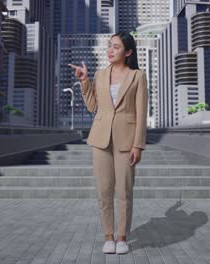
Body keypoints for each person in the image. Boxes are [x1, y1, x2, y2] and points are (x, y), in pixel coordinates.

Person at [68, 31, 148, 254]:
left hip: (126, 139)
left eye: (116, 47)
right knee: (104, 190)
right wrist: (84, 81)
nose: (110, 50)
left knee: (124, 190)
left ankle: (122, 237)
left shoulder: (138, 76)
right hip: (101, 138)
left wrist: (138, 145)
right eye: (109, 46)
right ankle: (108, 236)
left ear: (128, 52)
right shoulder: (101, 75)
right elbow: (93, 107)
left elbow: (141, 113)